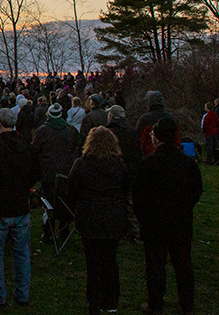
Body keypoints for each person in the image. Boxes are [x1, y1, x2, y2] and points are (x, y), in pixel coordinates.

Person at [133, 117, 202, 315]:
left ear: (158, 138)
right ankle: (186, 303)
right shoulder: (187, 163)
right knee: (183, 264)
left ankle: (156, 303)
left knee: (155, 266)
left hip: (155, 223)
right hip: (180, 221)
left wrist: (143, 216)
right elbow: (197, 190)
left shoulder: (148, 164)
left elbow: (138, 196)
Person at [68, 127, 130, 315]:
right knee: (110, 260)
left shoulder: (82, 164)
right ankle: (109, 301)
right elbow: (126, 188)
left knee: (93, 262)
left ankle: (94, 300)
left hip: (91, 217)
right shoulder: (119, 166)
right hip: (112, 217)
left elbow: (71, 189)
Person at [0, 108, 40, 309]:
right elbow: (35, 172)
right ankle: (22, 294)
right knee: (21, 252)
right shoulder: (27, 146)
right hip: (19, 206)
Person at [32, 103, 80, 240]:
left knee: (49, 204)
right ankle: (63, 231)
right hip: (66, 172)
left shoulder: (42, 131)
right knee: (65, 201)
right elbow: (79, 144)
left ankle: (49, 232)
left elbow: (34, 149)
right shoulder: (71, 130)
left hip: (48, 173)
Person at [201, 101, 219, 165]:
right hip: (215, 132)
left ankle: (209, 160)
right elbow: (218, 123)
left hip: (209, 132)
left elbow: (205, 125)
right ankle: (216, 159)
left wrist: (204, 131)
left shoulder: (207, 116)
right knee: (215, 146)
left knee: (209, 146)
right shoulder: (215, 114)